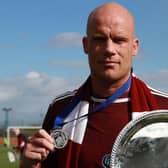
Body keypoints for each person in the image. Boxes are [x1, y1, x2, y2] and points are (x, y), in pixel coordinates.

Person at [20, 2, 168, 168]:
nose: (109, 49)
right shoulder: (61, 108)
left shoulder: (163, 109)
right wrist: (28, 165)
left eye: (119, 40)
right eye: (99, 39)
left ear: (134, 47)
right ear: (86, 45)